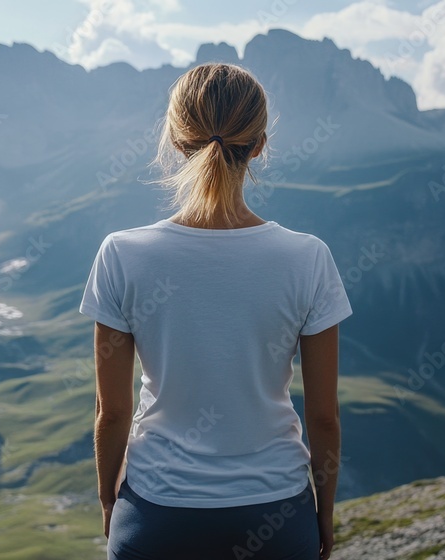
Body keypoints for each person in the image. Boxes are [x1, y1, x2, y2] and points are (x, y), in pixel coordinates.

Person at [80, 62, 352, 560]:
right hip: (275, 514)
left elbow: (112, 411)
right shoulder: (308, 257)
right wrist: (323, 515)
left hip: (156, 516)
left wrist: (109, 504)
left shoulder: (122, 253)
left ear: (176, 140)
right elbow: (324, 418)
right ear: (261, 145)